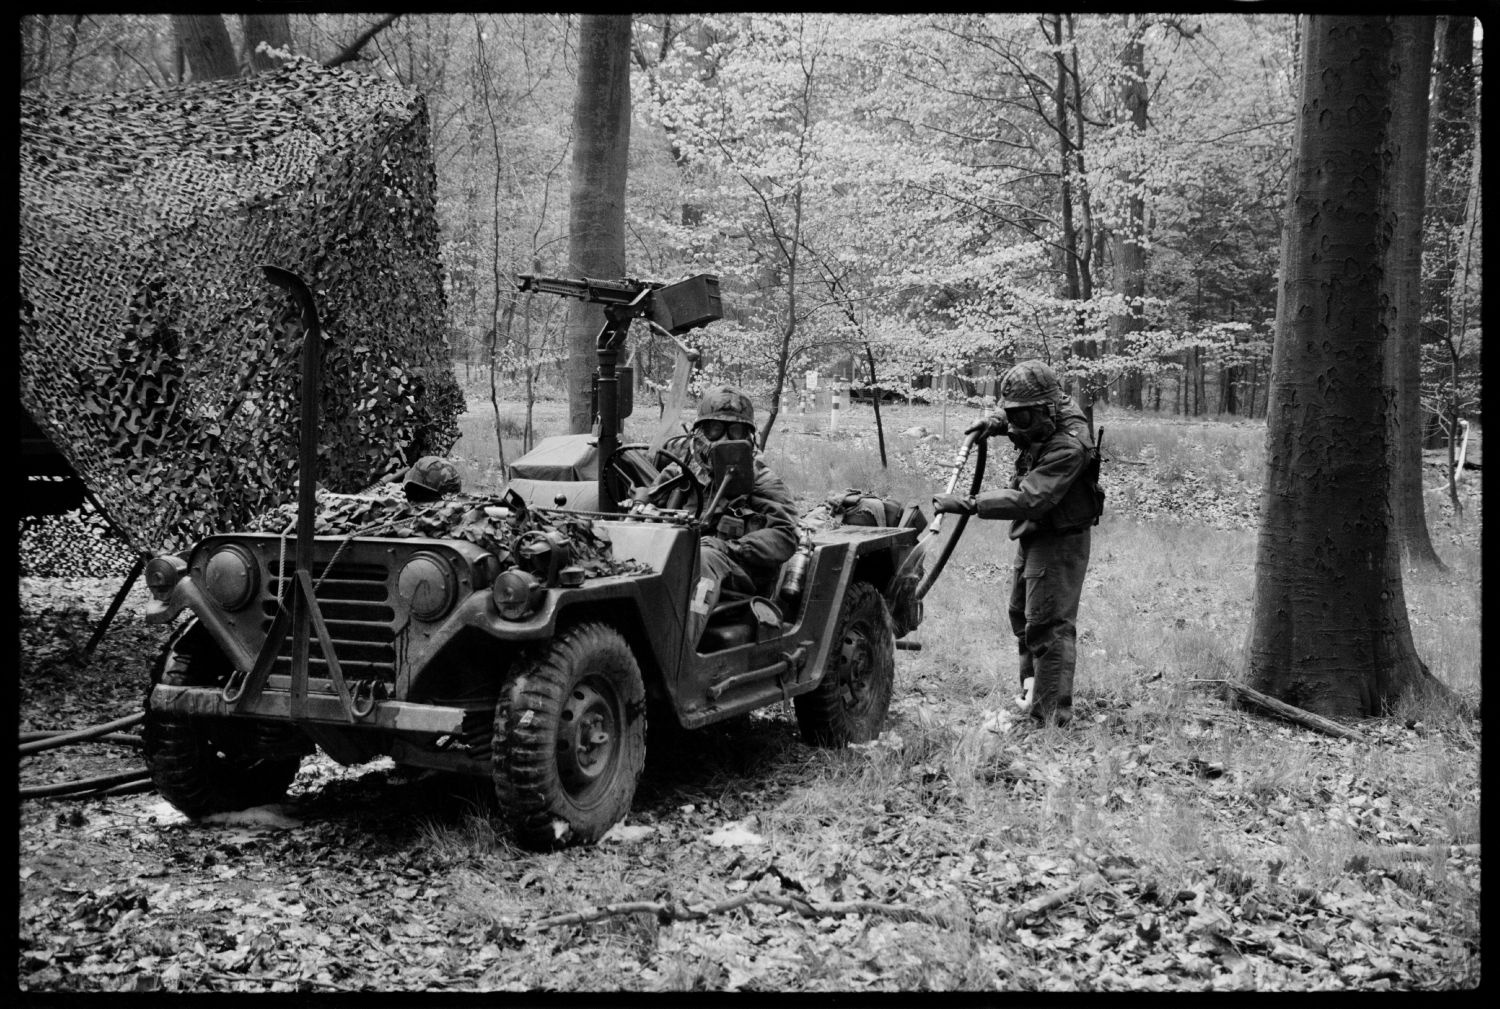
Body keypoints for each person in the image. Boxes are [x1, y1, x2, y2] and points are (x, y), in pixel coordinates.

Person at [932, 360, 1102, 727]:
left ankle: (1050, 716)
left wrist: (970, 504)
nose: (1016, 425)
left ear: (1046, 409)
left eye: (1023, 418)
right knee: (1021, 614)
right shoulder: (1046, 406)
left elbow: (1029, 499)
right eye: (1013, 416)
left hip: (1060, 538)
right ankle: (1031, 693)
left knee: (1048, 624)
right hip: (1037, 530)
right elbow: (1017, 414)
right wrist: (993, 423)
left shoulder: (1070, 445)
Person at [637, 386, 799, 646]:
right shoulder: (679, 473)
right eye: (715, 430)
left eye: (735, 432)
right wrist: (641, 508)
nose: (723, 440)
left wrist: (732, 547)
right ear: (699, 433)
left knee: (705, 556)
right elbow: (649, 500)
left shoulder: (760, 480)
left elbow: (786, 534)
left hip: (737, 570)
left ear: (748, 438)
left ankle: (678, 652)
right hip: (679, 557)